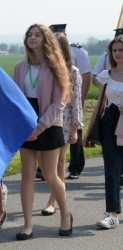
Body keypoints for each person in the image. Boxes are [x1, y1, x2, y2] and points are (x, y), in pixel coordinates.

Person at [12, 24, 72, 240]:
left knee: (50, 175)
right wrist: (23, 125)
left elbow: (59, 104)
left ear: (46, 40)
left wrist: (40, 127)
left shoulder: (57, 67)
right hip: (26, 124)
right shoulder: (20, 67)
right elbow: (15, 99)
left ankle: (65, 215)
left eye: (37, 35)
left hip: (49, 123)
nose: (32, 38)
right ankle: (28, 225)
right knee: (27, 174)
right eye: (29, 34)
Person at [41, 33, 81, 215]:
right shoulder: (44, 68)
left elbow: (76, 102)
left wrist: (75, 129)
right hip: (45, 118)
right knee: (43, 165)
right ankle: (57, 195)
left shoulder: (73, 71)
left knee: (59, 162)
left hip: (63, 121)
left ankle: (54, 200)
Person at [85, 35, 123, 230]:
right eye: (115, 50)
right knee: (112, 170)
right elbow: (100, 105)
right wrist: (89, 132)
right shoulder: (105, 76)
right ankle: (112, 214)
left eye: (121, 50)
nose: (117, 53)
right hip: (110, 122)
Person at [49, 24, 90, 179]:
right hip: (47, 117)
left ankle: (75, 168)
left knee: (61, 159)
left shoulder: (77, 56)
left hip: (65, 116)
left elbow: (86, 78)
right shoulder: (43, 67)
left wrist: (75, 125)